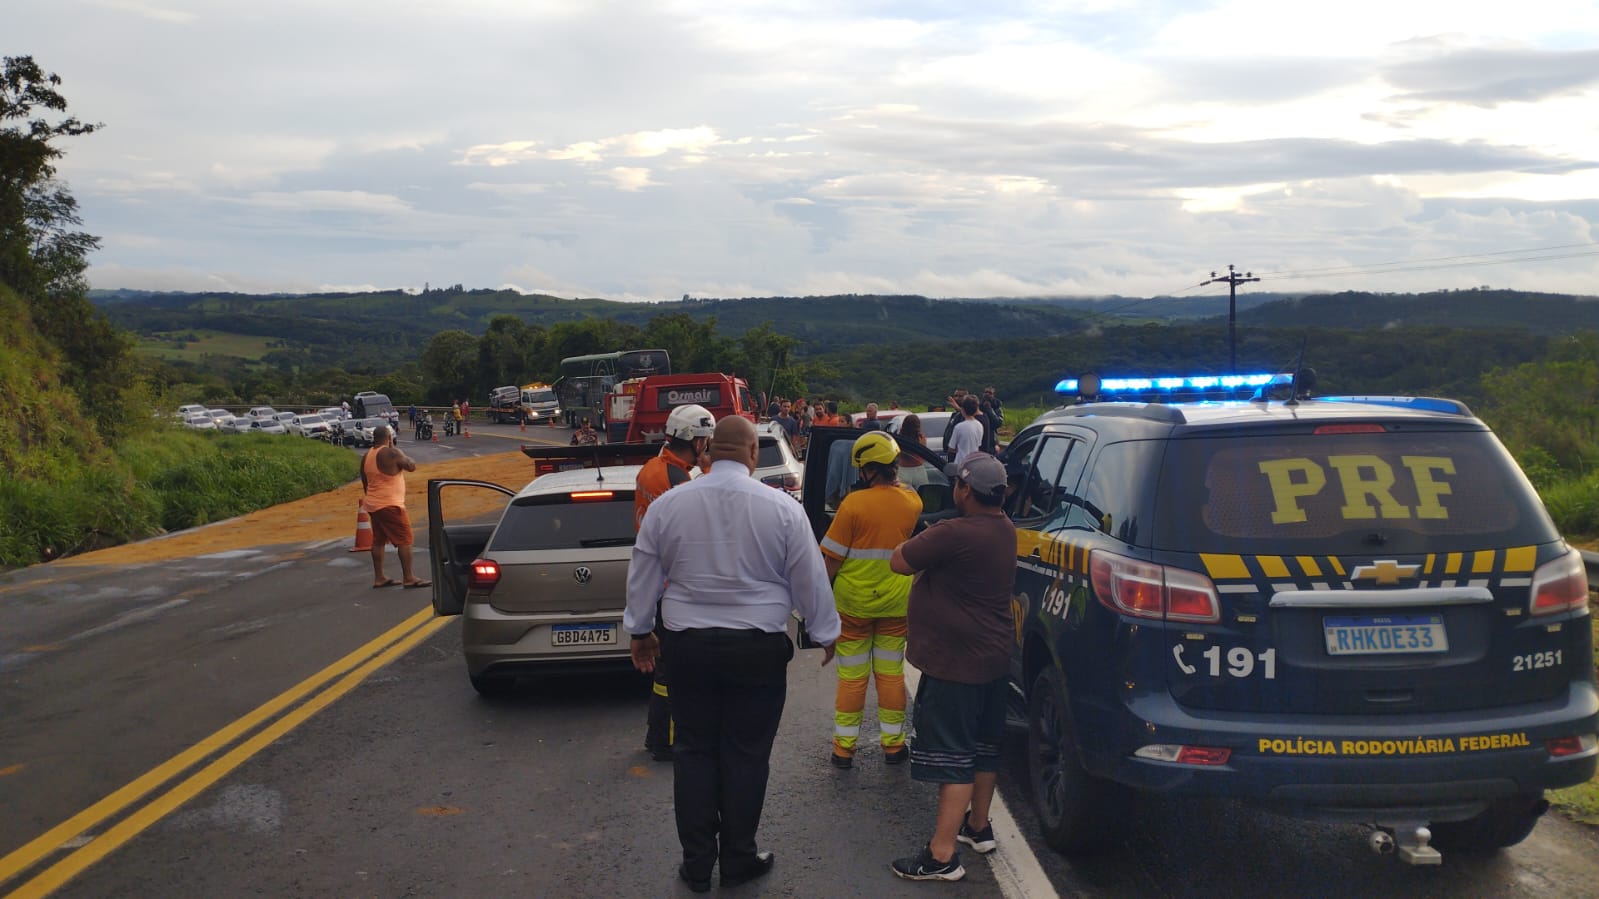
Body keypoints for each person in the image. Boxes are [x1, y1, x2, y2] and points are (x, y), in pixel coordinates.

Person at [624, 415, 841, 894]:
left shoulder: (670, 505)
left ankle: (697, 864)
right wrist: (826, 632)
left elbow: (643, 568)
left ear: (707, 452)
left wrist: (640, 631)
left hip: (689, 649)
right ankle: (738, 857)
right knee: (746, 755)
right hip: (756, 651)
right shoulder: (781, 507)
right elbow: (807, 574)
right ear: (751, 455)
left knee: (694, 751)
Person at [888, 452, 1016, 882]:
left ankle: (941, 854)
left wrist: (918, 536)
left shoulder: (953, 533)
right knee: (984, 747)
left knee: (953, 756)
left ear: (964, 490)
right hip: (994, 657)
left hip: (957, 663)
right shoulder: (1005, 529)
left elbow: (899, 561)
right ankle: (977, 827)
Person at [820, 431, 922, 768]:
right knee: (890, 674)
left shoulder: (852, 505)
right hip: (896, 603)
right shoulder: (912, 502)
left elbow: (831, 561)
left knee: (853, 677)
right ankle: (894, 747)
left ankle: (843, 749)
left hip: (853, 606)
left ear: (869, 470)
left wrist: (818, 609)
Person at [633, 403, 717, 762]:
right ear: (696, 441)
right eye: (706, 440)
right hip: (674, 586)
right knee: (671, 669)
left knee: (665, 668)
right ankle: (666, 741)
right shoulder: (679, 480)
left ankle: (660, 736)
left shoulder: (652, 469)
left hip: (657, 579)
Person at [360, 425, 430, 590]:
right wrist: (399, 451)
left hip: (373, 503)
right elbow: (411, 466)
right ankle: (409, 577)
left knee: (378, 541)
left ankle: (379, 577)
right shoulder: (391, 453)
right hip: (390, 504)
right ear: (389, 438)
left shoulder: (367, 455)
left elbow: (365, 481)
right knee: (405, 540)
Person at [947, 396, 984, 466]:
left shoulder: (959, 427)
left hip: (961, 463)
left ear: (963, 409)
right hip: (974, 463)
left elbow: (951, 448)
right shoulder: (979, 425)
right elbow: (979, 444)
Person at [896, 414, 931, 489]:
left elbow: (897, 454)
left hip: (903, 470)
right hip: (918, 470)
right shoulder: (921, 439)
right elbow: (924, 455)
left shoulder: (900, 439)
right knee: (922, 496)